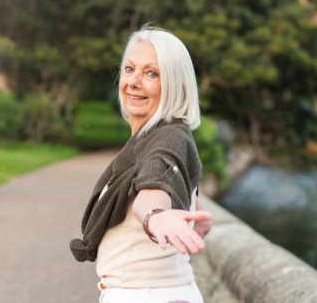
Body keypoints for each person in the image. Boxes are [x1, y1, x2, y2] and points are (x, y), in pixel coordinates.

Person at [70, 26, 212, 303]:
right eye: (129, 69)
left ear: (175, 85)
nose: (134, 81)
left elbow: (152, 188)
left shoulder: (165, 141)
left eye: (152, 73)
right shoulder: (168, 135)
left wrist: (155, 215)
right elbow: (199, 218)